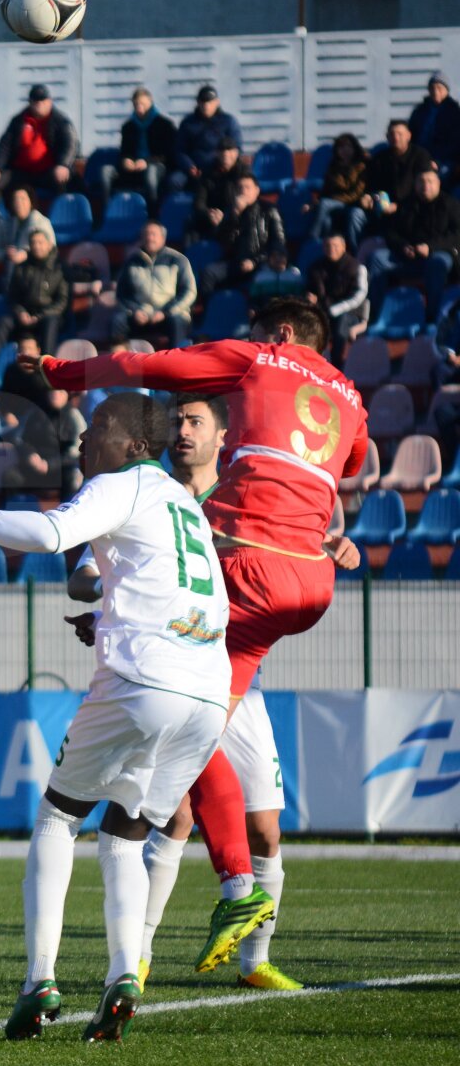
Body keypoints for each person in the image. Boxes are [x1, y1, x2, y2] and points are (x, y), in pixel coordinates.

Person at [19, 297, 369, 973]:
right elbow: (349, 460)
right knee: (190, 760)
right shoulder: (348, 393)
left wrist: (64, 372)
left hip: (250, 563)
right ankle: (156, 952)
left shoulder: (255, 362)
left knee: (182, 722)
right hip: (307, 583)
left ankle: (236, 890)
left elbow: (148, 363)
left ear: (284, 334)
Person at [0, 392, 231, 1043]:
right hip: (207, 692)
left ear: (133, 442)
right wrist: (110, 596)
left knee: (57, 815)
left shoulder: (123, 482)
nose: (83, 439)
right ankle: (121, 974)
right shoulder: (179, 501)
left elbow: (49, 536)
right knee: (126, 833)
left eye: (98, 428)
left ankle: (40, 980)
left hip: (145, 678)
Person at [131, 392, 359, 994]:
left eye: (194, 421)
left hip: (240, 681)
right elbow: (95, 569)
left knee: (266, 830)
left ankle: (253, 961)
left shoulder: (252, 496)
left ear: (223, 436)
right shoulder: (150, 492)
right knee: (175, 816)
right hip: (178, 674)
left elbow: (292, 552)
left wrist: (329, 549)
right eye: (176, 420)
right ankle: (138, 956)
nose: (181, 431)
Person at [368, 167, 460, 322]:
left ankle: (432, 318)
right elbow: (391, 233)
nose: (426, 185)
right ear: (415, 184)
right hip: (407, 256)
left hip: (438, 254)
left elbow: (456, 235)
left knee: (438, 263)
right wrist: (403, 246)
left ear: (438, 183)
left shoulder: (452, 205)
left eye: (430, 181)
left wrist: (430, 247)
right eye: (421, 181)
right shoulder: (406, 205)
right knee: (377, 259)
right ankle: (373, 316)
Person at [0, 84, 78, 204]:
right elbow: (5, 146)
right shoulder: (18, 121)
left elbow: (70, 144)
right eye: (35, 101)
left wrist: (63, 164)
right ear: (30, 102)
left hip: (48, 172)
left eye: (43, 100)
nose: (39, 104)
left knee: (62, 179)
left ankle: (61, 216)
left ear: (49, 102)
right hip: (22, 172)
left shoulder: (61, 121)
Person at [112, 220, 196, 347]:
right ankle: (119, 362)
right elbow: (122, 294)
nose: (149, 238)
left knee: (177, 321)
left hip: (170, 314)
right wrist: (135, 311)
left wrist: (166, 312)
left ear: (163, 238)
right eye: (146, 234)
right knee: (118, 321)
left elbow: (189, 291)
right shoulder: (132, 261)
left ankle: (176, 363)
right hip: (141, 315)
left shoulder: (178, 260)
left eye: (153, 234)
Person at [201, 174, 285, 298]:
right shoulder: (231, 211)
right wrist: (235, 215)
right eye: (240, 188)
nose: (243, 191)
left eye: (247, 187)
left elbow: (278, 243)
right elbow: (223, 240)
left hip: (261, 263)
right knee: (209, 273)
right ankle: (211, 310)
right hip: (236, 262)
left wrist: (255, 261)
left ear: (257, 190)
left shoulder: (270, 210)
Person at [101, 88, 176, 212]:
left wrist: (147, 161)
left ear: (150, 103)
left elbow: (168, 154)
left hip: (156, 165)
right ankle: (107, 212)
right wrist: (126, 161)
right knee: (106, 171)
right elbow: (124, 152)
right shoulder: (128, 126)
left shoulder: (165, 125)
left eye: (143, 104)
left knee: (151, 173)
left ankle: (153, 214)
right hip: (133, 168)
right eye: (136, 105)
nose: (139, 108)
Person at [0, 228, 69, 355]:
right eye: (33, 243)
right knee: (3, 322)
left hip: (46, 316)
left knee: (51, 322)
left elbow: (62, 301)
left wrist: (40, 316)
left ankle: (47, 365)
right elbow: (12, 297)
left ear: (49, 244)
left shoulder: (59, 269)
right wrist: (20, 312)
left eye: (40, 242)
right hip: (24, 315)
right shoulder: (21, 268)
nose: (37, 246)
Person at [305, 232, 369, 366]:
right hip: (324, 312)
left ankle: (338, 367)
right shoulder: (317, 268)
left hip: (350, 313)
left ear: (343, 246)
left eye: (335, 246)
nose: (331, 249)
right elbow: (310, 291)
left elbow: (359, 296)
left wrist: (334, 309)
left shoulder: (357, 267)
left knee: (340, 328)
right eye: (328, 246)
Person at [360, 119, 433, 234]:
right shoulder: (380, 159)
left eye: (400, 134)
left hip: (412, 206)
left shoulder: (420, 156)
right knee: (356, 214)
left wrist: (398, 205)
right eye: (392, 134)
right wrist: (369, 197)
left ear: (408, 136)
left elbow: (425, 188)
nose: (396, 138)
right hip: (382, 206)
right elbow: (372, 185)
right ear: (387, 137)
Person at [173, 86, 244, 192]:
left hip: (219, 168)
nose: (206, 105)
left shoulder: (228, 121)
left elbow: (237, 148)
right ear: (198, 102)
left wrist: (221, 165)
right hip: (193, 168)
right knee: (173, 181)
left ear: (217, 102)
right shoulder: (188, 123)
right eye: (203, 102)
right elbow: (179, 150)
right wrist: (189, 166)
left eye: (210, 102)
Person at [0, 185, 55, 285]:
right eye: (15, 199)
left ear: (31, 202)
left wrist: (27, 255)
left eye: (23, 199)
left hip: (37, 278)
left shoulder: (42, 222)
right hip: (9, 278)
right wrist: (5, 254)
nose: (19, 203)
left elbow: (52, 251)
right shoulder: (5, 224)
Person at [308, 133, 367, 249]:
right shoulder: (334, 167)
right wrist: (313, 204)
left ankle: (311, 239)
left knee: (325, 203)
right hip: (335, 206)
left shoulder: (362, 166)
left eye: (348, 147)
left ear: (355, 148)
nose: (345, 150)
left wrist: (332, 199)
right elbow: (325, 190)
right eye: (341, 147)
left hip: (355, 204)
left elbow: (357, 193)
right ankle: (323, 249)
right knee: (327, 221)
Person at [190, 137, 246, 243]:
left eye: (229, 150)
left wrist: (227, 217)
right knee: (191, 224)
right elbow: (199, 202)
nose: (225, 154)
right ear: (216, 153)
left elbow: (247, 199)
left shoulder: (244, 173)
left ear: (236, 152)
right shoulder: (208, 173)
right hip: (212, 217)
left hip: (236, 218)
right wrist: (209, 213)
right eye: (222, 150)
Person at [408, 71, 460, 180]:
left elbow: (454, 143)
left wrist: (436, 160)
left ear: (446, 90)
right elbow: (411, 134)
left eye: (439, 88)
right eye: (432, 88)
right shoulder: (420, 111)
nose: (436, 92)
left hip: (444, 159)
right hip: (419, 155)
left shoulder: (454, 113)